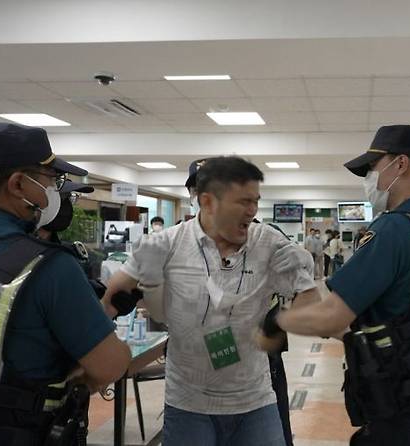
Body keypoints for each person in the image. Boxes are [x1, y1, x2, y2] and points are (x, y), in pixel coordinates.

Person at [258, 125, 410, 446]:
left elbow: (332, 317)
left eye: (372, 167)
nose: (369, 177)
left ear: (401, 165)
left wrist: (277, 322)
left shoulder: (394, 229)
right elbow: (400, 319)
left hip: (401, 418)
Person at [0, 122, 131, 446]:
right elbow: (109, 365)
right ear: (19, 184)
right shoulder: (48, 267)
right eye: (53, 181)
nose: (55, 192)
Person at [101, 156, 319, 446]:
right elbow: (114, 297)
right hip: (189, 402)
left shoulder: (267, 241)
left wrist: (294, 302)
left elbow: (310, 301)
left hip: (254, 400)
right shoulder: (167, 243)